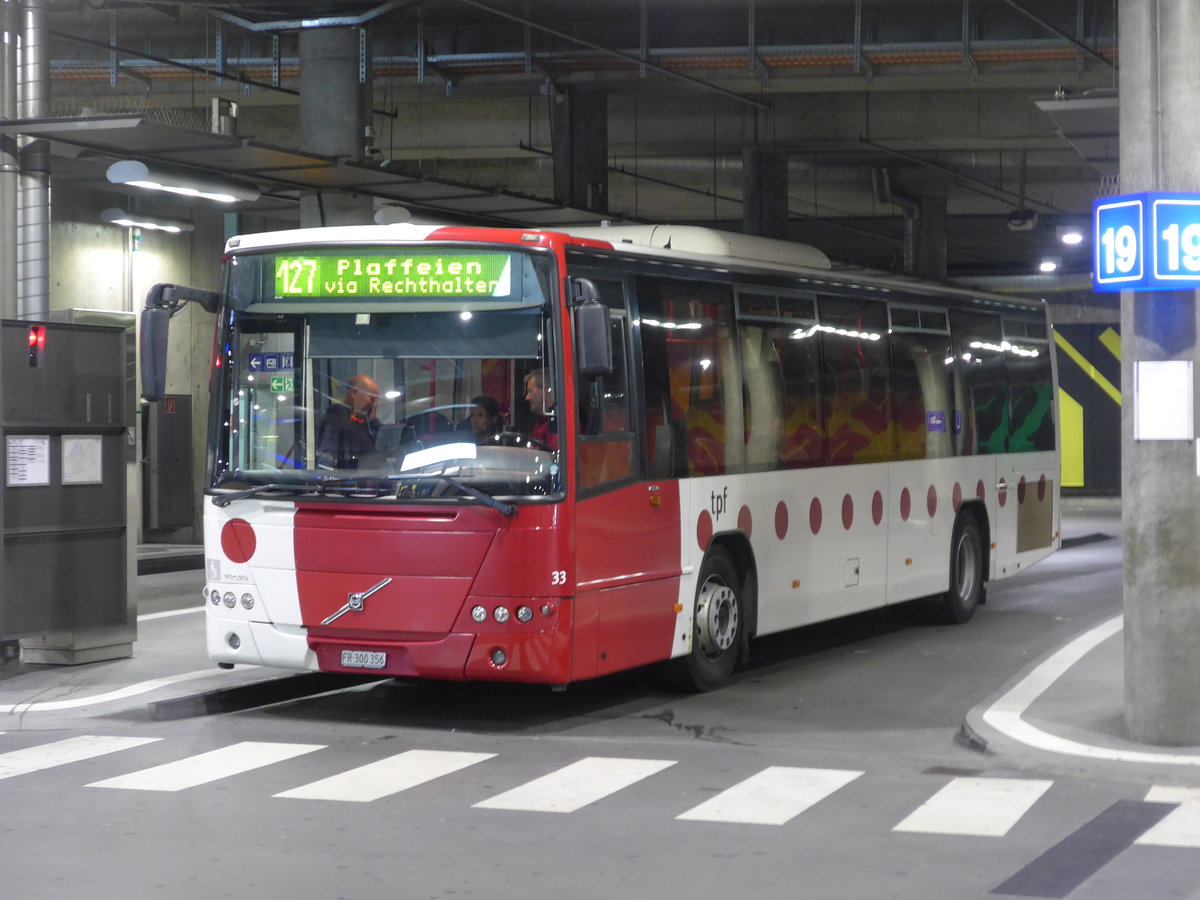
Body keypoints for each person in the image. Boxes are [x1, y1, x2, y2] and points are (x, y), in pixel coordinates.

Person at [317, 374, 380, 468]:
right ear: (355, 393)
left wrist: (373, 420)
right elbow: (326, 454)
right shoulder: (336, 416)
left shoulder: (367, 423)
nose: (374, 404)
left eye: (376, 400)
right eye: (372, 399)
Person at [524, 368, 558, 451]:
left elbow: (554, 455)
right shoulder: (541, 422)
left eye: (530, 391)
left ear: (545, 391)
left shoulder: (559, 423)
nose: (527, 398)